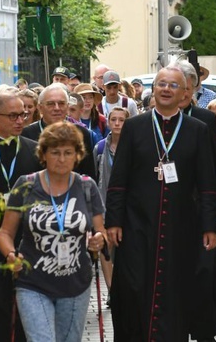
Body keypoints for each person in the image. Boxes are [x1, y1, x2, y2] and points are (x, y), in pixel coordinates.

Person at [105, 66, 216, 341]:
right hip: (137, 226)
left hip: (181, 228)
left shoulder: (198, 130)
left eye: (173, 85)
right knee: (134, 290)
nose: (166, 89)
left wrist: (210, 225)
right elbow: (118, 179)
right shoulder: (135, 126)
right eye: (161, 84)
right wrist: (114, 221)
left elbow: (207, 183)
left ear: (184, 94)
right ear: (153, 90)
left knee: (175, 292)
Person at [0, 122, 107, 342]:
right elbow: (5, 233)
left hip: (75, 283)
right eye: (55, 152)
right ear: (43, 154)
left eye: (68, 153)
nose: (62, 159)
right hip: (32, 282)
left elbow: (100, 231)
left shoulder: (87, 187)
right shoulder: (26, 185)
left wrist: (98, 240)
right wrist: (10, 255)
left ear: (77, 155)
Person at [174, 60, 216, 341]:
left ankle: (205, 329)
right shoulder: (156, 118)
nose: (181, 93)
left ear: (193, 89)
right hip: (173, 210)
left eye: (186, 87)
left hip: (203, 208)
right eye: (176, 87)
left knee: (215, 277)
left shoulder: (205, 119)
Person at [0, 89, 41, 341]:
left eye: (23, 115)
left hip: (28, 243)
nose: (20, 121)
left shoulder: (35, 151)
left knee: (29, 310)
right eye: (13, 115)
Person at [22, 84, 97, 181]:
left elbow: (88, 174)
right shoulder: (26, 134)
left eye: (61, 103)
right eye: (51, 104)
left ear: (67, 107)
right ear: (40, 108)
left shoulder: (81, 133)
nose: (57, 108)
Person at [93, 107, 130, 296]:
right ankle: (111, 289)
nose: (117, 123)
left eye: (121, 120)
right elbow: (94, 175)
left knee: (125, 248)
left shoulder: (134, 147)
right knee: (106, 247)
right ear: (108, 122)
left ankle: (123, 287)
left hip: (127, 207)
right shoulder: (99, 148)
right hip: (105, 205)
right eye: (113, 119)